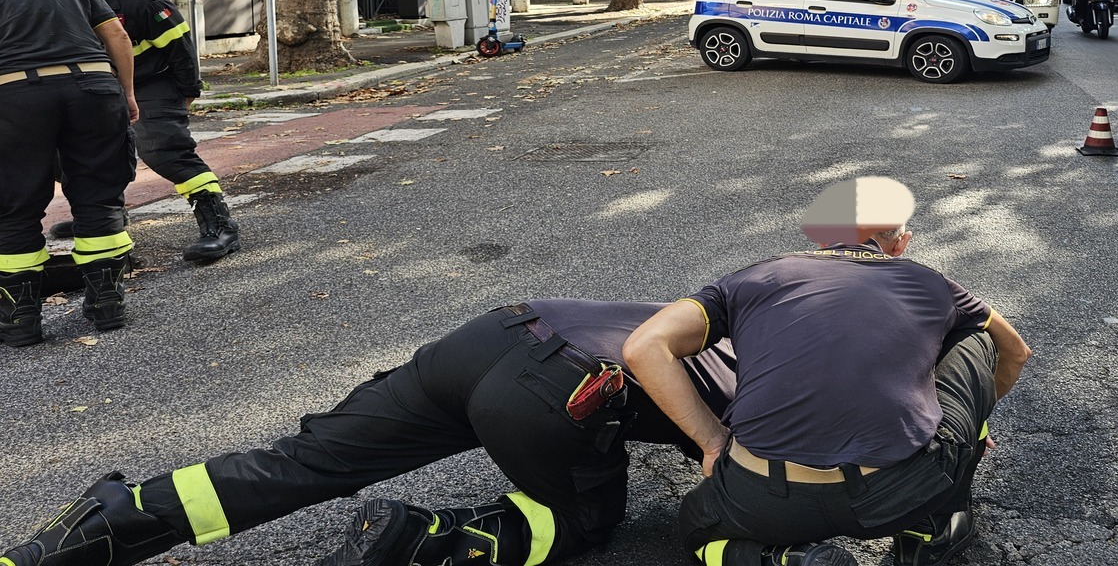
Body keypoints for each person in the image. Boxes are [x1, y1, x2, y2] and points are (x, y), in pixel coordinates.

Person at [1, 298, 738, 566]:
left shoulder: (723, 310)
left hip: (486, 336)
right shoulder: (776, 385)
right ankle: (417, 542)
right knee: (586, 522)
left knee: (303, 461)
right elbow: (738, 482)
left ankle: (88, 534)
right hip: (560, 387)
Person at [624, 177, 1032, 566]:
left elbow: (644, 346)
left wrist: (713, 442)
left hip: (763, 498)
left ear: (821, 236)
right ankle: (930, 533)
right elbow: (1015, 351)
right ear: (901, 244)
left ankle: (785, 559)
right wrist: (969, 417)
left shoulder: (752, 278)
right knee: (978, 336)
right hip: (902, 492)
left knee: (699, 533)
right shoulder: (934, 283)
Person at [0, 0, 139, 348]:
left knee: (13, 206)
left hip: (15, 95)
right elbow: (116, 33)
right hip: (93, 87)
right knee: (99, 195)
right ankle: (107, 306)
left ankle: (19, 320)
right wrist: (127, 93)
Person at [47, 0, 241, 262]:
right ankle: (105, 215)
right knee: (63, 153)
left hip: (153, 80)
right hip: (97, 81)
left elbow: (180, 46)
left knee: (163, 148)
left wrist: (188, 90)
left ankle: (220, 224)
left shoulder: (142, 2)